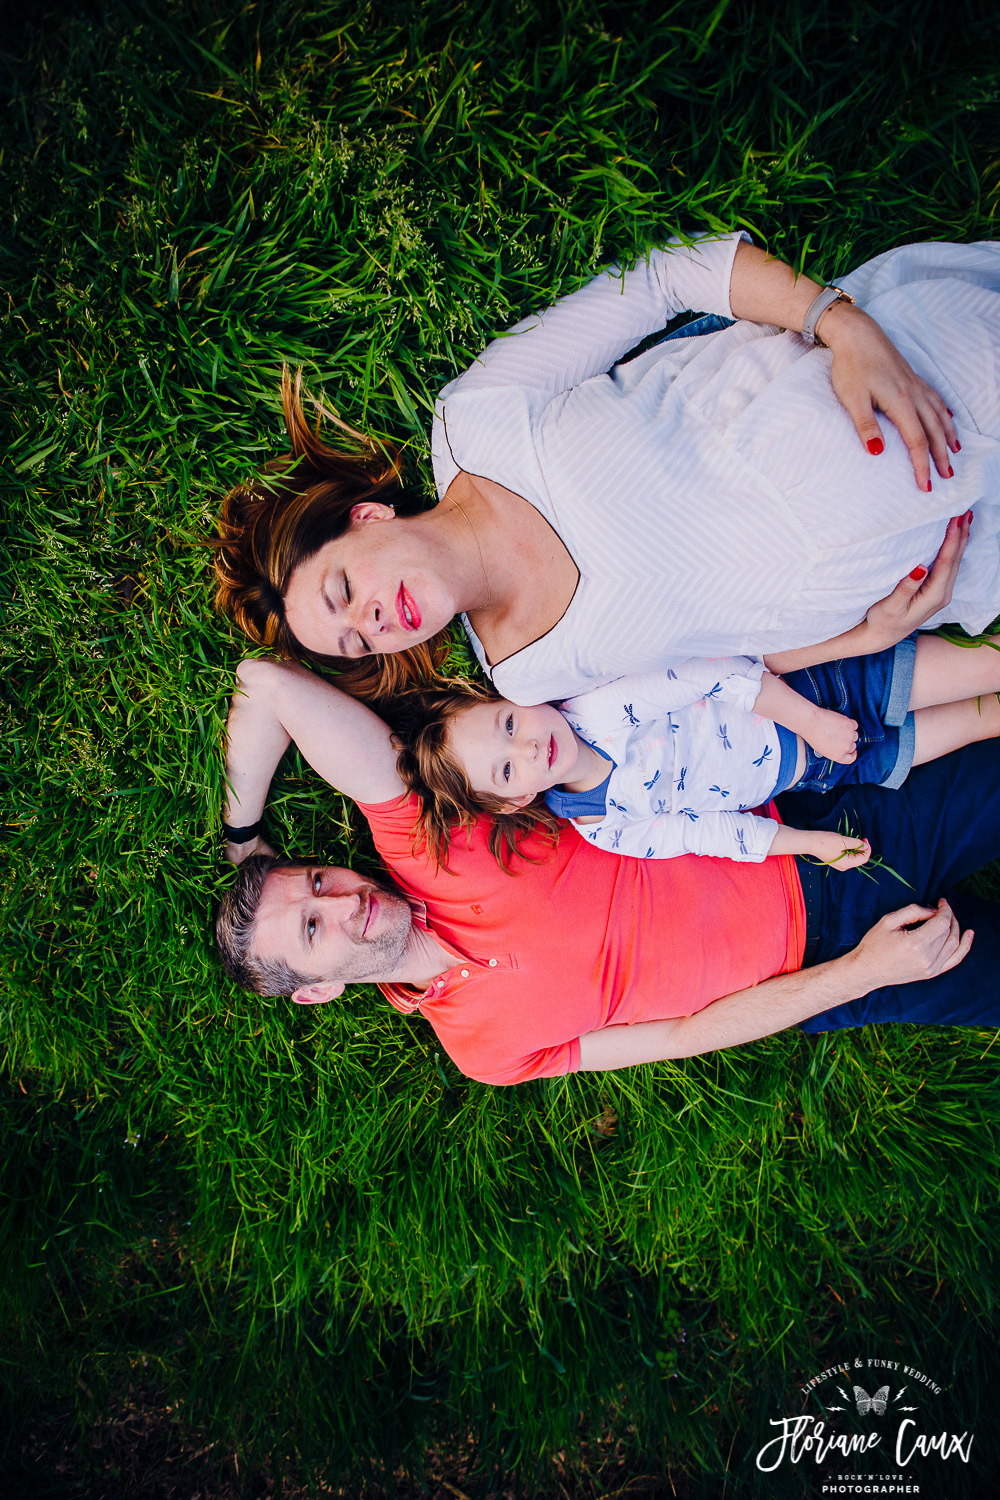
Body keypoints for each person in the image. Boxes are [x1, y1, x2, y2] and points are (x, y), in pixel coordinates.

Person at [213, 234, 998, 702]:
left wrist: (842, 323)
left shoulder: (476, 418)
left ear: (367, 518)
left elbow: (662, 279)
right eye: (357, 643)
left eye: (344, 592)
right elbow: (726, 675)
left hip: (916, 380)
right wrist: (870, 636)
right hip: (951, 558)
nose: (372, 623)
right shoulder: (528, 678)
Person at [214, 657, 999, 1087]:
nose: (344, 899)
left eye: (317, 882)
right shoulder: (483, 1052)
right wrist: (861, 976)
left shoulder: (425, 847)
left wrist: (244, 842)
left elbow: (267, 684)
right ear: (316, 991)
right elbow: (687, 1036)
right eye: (313, 928)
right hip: (830, 971)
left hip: (820, 831)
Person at [392, 626, 1000, 868]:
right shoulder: (602, 825)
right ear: (513, 798)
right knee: (977, 724)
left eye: (505, 724)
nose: (527, 746)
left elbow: (710, 673)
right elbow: (708, 834)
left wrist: (811, 719)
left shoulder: (596, 708)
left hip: (816, 692)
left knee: (980, 673)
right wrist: (810, 844)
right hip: (821, 772)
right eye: (506, 768)